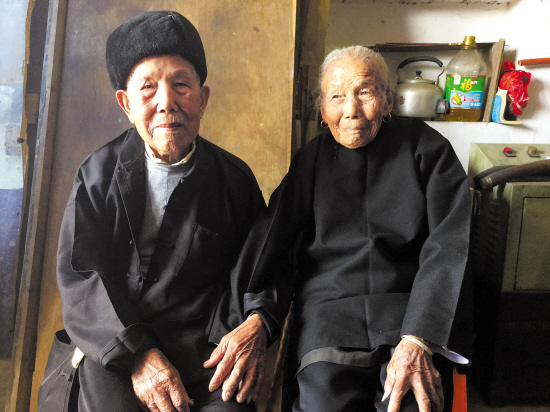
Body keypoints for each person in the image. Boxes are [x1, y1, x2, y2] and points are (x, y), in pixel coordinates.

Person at [205, 46, 472, 412]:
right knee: (322, 402)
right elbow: (272, 241)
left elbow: (450, 244)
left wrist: (419, 338)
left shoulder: (429, 150)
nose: (351, 110)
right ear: (321, 108)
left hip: (409, 314)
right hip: (329, 318)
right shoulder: (311, 159)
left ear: (388, 100)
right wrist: (256, 317)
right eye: (337, 97)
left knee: (413, 403)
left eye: (365, 92)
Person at [56, 10, 266, 412]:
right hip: (117, 344)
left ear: (202, 99)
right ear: (126, 103)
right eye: (148, 88)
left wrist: (252, 325)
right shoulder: (97, 175)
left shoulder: (234, 181)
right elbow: (82, 276)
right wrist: (138, 356)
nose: (167, 102)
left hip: (207, 353)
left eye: (181, 85)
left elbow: (257, 273)